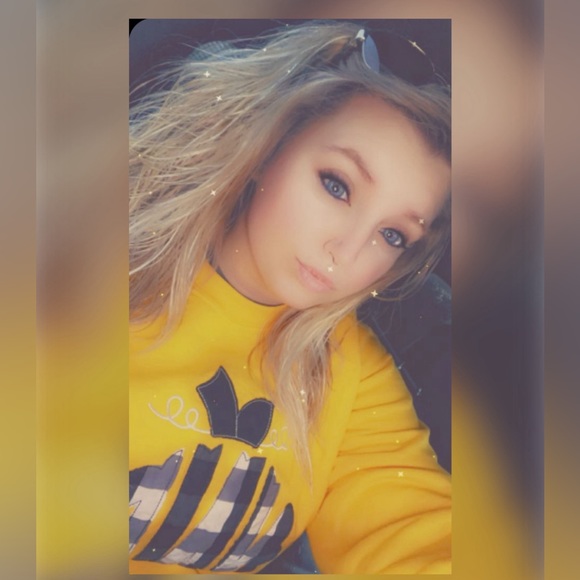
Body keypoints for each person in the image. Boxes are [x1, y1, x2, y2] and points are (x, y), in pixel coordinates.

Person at [129, 20, 451, 574]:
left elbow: (414, 535)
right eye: (337, 185)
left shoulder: (350, 372)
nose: (346, 251)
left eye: (392, 234)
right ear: (269, 145)